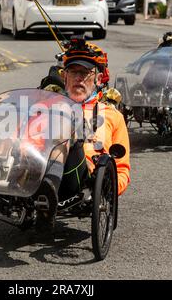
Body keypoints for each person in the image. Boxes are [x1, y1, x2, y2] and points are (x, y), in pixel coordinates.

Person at [38, 38, 131, 231]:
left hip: (80, 178)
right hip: (35, 165)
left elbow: (122, 169)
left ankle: (49, 187)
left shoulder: (112, 115)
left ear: (97, 80)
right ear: (64, 78)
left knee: (68, 129)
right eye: (73, 72)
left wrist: (108, 189)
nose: (78, 78)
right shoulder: (45, 106)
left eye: (85, 73)